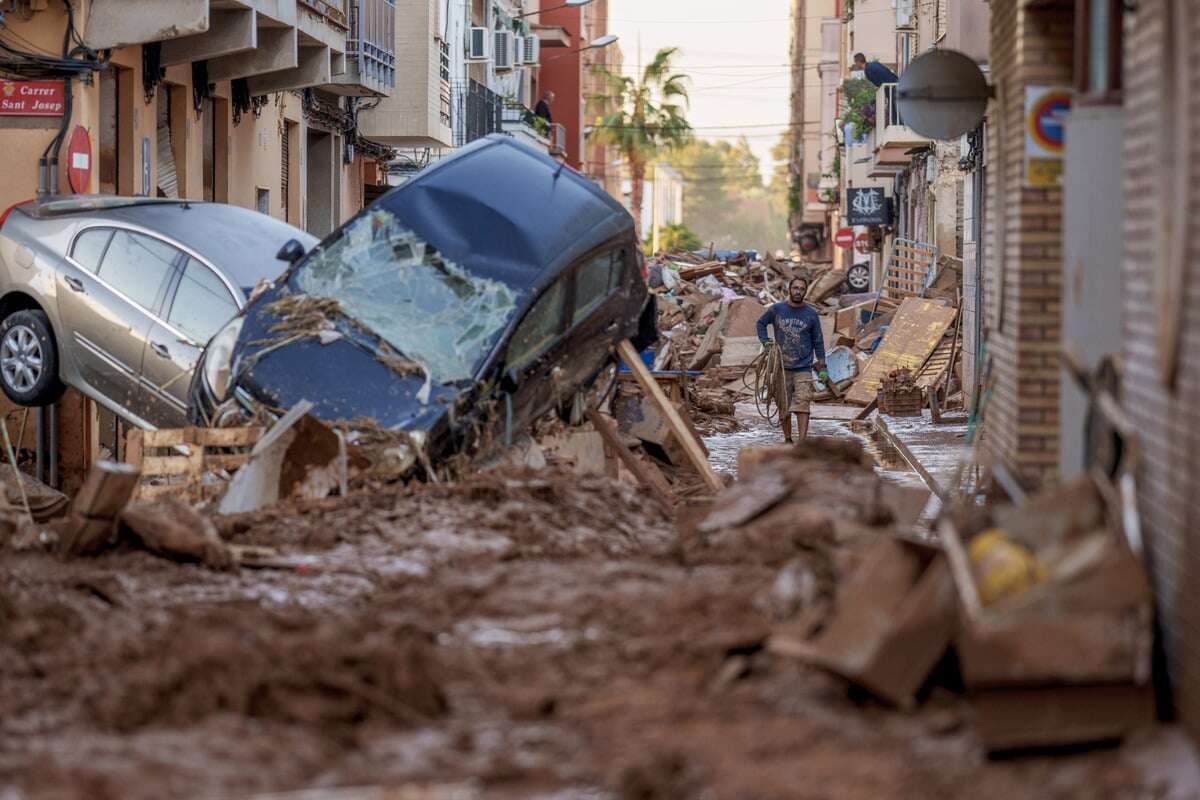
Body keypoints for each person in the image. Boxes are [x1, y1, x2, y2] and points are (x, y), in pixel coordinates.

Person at [757, 277, 827, 444]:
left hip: (804, 367)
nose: (798, 291)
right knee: (784, 406)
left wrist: (823, 366)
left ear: (805, 291)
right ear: (789, 289)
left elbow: (818, 340)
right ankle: (788, 439)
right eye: (795, 288)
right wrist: (765, 341)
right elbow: (760, 323)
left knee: (803, 405)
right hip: (782, 366)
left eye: (801, 289)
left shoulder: (811, 314)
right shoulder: (776, 310)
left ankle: (802, 442)